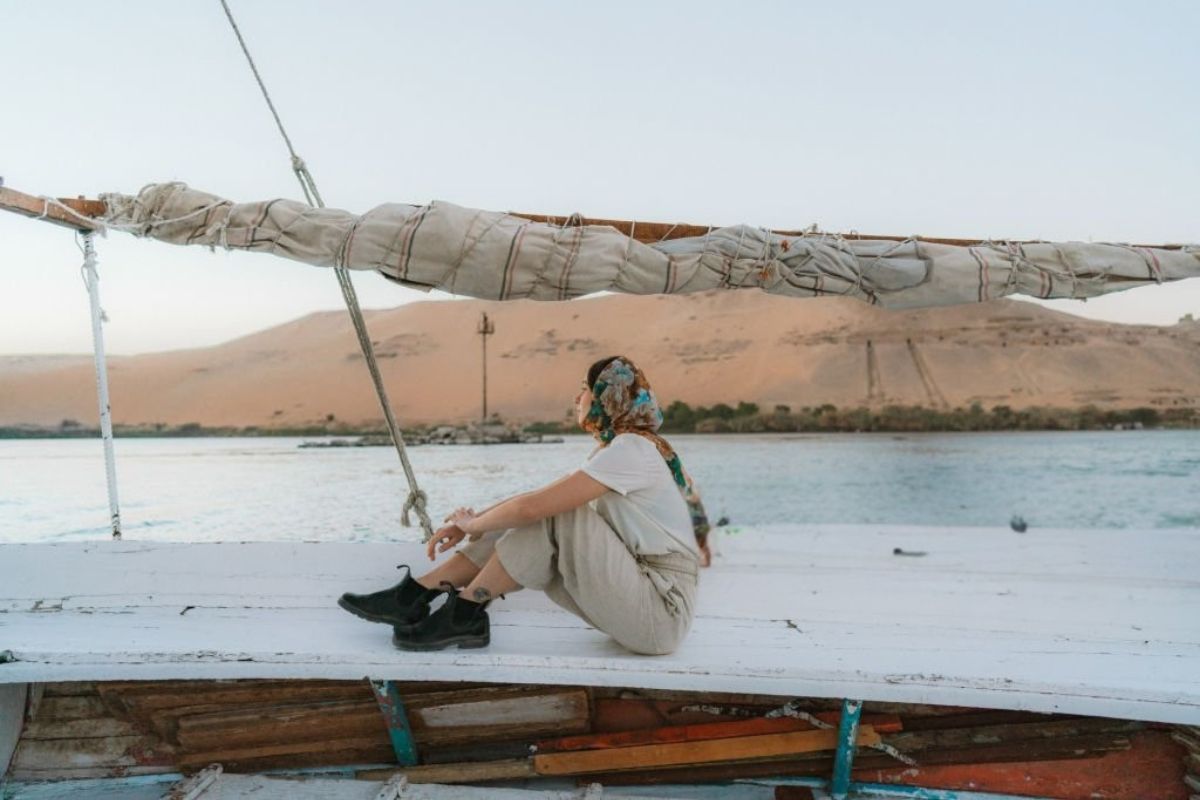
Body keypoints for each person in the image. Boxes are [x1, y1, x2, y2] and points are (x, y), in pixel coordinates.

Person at [338, 355, 712, 655]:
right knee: (548, 512)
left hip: (660, 611)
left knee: (555, 515)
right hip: (641, 600)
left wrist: (473, 526)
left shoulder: (631, 449)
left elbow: (536, 507)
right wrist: (474, 521)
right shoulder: (618, 449)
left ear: (607, 398)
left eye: (584, 390)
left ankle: (460, 609)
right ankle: (423, 595)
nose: (576, 398)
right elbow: (537, 498)